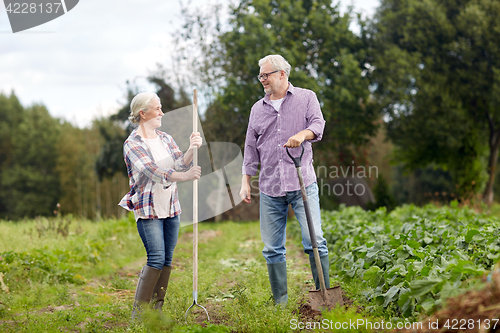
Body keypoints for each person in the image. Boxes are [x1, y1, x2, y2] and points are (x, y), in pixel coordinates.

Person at [239, 55, 329, 305]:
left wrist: (302, 134)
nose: (262, 80)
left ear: (282, 74)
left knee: (315, 240)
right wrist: (246, 180)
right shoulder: (257, 109)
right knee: (271, 248)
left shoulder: (306, 97)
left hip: (302, 183)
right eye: (260, 76)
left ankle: (325, 295)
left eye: (265, 75)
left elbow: (318, 125)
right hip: (269, 187)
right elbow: (250, 147)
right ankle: (281, 303)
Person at [119, 92, 202, 319]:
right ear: (142, 113)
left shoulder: (165, 138)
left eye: (161, 108)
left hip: (170, 207)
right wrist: (185, 177)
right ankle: (139, 315)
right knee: (155, 258)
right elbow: (153, 172)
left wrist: (191, 149)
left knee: (166, 259)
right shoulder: (132, 144)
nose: (161, 113)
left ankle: (156, 312)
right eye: (157, 109)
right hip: (148, 209)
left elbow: (179, 163)